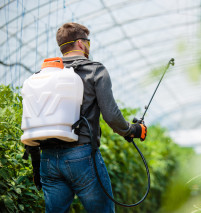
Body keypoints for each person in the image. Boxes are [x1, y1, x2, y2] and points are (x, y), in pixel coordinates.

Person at [35, 22, 147, 213]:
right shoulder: (95, 70)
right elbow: (111, 116)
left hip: (47, 159)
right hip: (81, 154)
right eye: (88, 42)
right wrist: (132, 130)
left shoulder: (42, 75)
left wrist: (35, 163)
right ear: (80, 43)